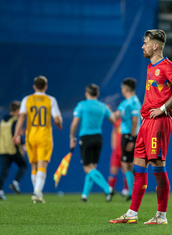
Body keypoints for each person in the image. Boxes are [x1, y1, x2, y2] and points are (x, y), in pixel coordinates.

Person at [109, 29, 172, 225]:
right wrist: (145, 115)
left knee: (158, 168)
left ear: (155, 45)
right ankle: (131, 214)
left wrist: (162, 108)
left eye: (145, 43)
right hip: (147, 122)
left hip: (159, 121)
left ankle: (161, 216)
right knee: (138, 168)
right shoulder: (150, 67)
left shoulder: (167, 66)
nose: (142, 46)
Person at [13, 75, 62, 203]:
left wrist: (16, 134)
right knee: (42, 164)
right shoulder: (50, 100)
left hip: (31, 136)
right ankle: (37, 192)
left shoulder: (27, 99)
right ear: (46, 87)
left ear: (34, 86)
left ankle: (37, 193)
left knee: (34, 165)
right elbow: (57, 119)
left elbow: (21, 118)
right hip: (44, 136)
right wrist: (59, 123)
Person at [70, 84, 115, 202]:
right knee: (92, 167)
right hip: (98, 138)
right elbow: (114, 120)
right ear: (98, 94)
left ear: (86, 93)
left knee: (87, 168)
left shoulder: (82, 105)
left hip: (86, 138)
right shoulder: (103, 106)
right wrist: (109, 109)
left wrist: (71, 137)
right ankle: (84, 195)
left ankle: (108, 189)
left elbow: (74, 123)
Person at [109, 78, 141, 201]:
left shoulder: (132, 103)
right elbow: (114, 117)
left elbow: (135, 121)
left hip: (130, 135)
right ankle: (131, 191)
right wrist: (106, 111)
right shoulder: (126, 103)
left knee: (131, 164)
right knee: (125, 163)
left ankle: (134, 191)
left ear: (126, 89)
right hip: (126, 136)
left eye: (122, 88)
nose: (121, 90)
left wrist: (132, 139)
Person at [0, 101, 27, 200]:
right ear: (17, 110)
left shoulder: (3, 121)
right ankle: (15, 182)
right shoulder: (15, 120)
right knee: (23, 165)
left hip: (3, 150)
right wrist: (23, 144)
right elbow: (15, 134)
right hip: (13, 149)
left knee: (3, 171)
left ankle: (0, 191)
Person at [108, 118, 129, 196]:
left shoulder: (129, 120)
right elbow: (113, 132)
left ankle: (126, 190)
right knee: (113, 170)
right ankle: (110, 189)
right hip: (116, 151)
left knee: (126, 170)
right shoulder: (117, 121)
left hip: (124, 150)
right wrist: (114, 145)